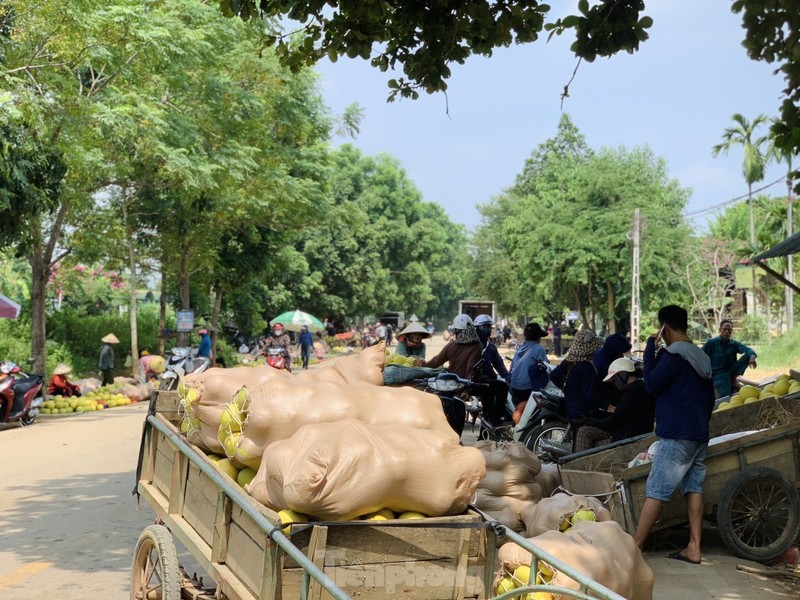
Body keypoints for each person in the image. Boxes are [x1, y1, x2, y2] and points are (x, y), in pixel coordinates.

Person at [633, 305, 715, 564]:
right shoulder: (700, 356)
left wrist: (649, 352)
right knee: (693, 487)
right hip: (699, 434)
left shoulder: (674, 354)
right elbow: (709, 398)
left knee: (656, 489)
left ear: (664, 328)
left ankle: (633, 549)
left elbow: (651, 385)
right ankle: (694, 547)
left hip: (677, 435)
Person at [574, 357, 655, 452]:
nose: (614, 382)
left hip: (628, 438)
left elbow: (615, 419)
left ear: (623, 374)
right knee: (586, 433)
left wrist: (592, 422)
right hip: (626, 433)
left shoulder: (633, 394)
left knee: (586, 435)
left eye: (615, 378)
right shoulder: (636, 389)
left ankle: (580, 465)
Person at [550, 329, 604, 451]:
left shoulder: (569, 361)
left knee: (576, 439)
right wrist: (606, 406)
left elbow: (554, 375)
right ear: (589, 347)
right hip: (584, 412)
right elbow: (590, 394)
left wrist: (568, 388)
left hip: (571, 408)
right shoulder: (586, 366)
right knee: (582, 445)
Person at [701, 319, 757, 398]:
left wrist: (752, 357)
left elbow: (747, 349)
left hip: (732, 371)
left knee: (748, 355)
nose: (727, 332)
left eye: (729, 330)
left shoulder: (734, 344)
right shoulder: (711, 343)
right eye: (724, 329)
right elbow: (700, 356)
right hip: (717, 374)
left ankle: (734, 378)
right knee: (726, 395)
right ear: (720, 330)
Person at [473, 314, 512, 424]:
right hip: (472, 381)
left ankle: (487, 430)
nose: (487, 330)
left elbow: (500, 366)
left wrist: (509, 378)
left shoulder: (491, 347)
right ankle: (496, 418)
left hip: (487, 381)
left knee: (497, 389)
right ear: (476, 328)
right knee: (498, 389)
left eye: (489, 327)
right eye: (484, 327)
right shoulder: (470, 345)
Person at [421, 313, 483, 378]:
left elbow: (436, 361)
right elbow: (471, 370)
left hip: (451, 382)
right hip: (466, 384)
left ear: (456, 331)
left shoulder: (451, 344)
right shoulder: (477, 346)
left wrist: (423, 364)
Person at [509, 322, 549, 406]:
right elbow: (546, 366)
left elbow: (511, 368)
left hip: (514, 387)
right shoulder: (539, 348)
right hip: (527, 389)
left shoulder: (520, 348)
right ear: (538, 338)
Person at [593, 332, 633, 406]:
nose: (622, 356)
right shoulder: (606, 365)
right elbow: (609, 389)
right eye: (621, 354)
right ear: (615, 352)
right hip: (604, 396)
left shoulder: (601, 353)